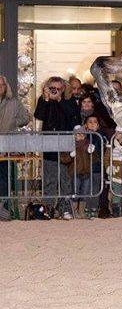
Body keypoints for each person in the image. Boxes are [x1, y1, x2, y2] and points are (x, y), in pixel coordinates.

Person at [34, 76, 80, 219]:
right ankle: (48, 210)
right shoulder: (44, 99)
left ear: (63, 88)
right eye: (52, 88)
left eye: (58, 88)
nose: (55, 91)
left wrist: (59, 99)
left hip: (64, 147)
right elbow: (39, 115)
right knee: (49, 180)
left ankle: (65, 209)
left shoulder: (69, 100)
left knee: (65, 181)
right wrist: (46, 99)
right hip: (49, 146)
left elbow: (72, 114)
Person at [0, 75, 29, 219]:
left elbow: (25, 118)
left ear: (6, 87)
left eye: (2, 85)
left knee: (5, 178)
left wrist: (13, 122)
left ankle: (4, 208)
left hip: (7, 146)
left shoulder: (14, 102)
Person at [60, 124, 99, 218]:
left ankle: (81, 211)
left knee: (84, 192)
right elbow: (63, 159)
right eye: (77, 134)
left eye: (81, 134)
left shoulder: (88, 144)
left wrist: (92, 153)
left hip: (86, 172)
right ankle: (74, 211)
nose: (79, 136)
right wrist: (70, 156)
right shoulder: (70, 145)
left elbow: (95, 159)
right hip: (75, 173)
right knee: (75, 192)